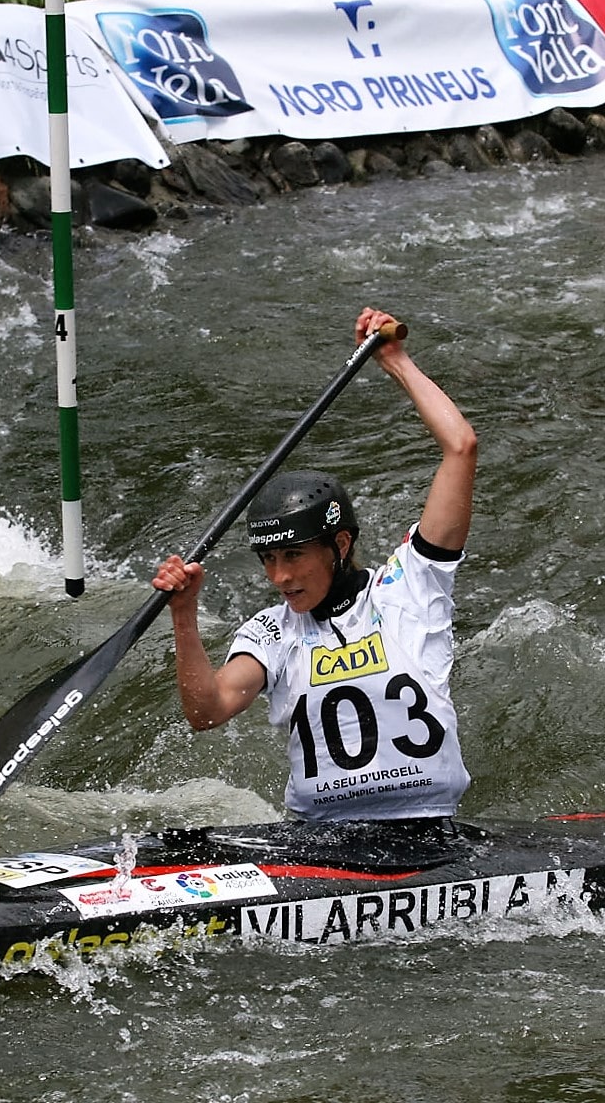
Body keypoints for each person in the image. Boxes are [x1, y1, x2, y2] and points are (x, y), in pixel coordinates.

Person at [151, 307, 477, 822]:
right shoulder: (272, 633)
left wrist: (396, 361)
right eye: (269, 559)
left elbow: (460, 447)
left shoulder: (409, 587)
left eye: (294, 555)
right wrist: (183, 615)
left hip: (428, 825)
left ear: (339, 544)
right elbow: (207, 711)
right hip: (320, 841)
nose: (279, 577)